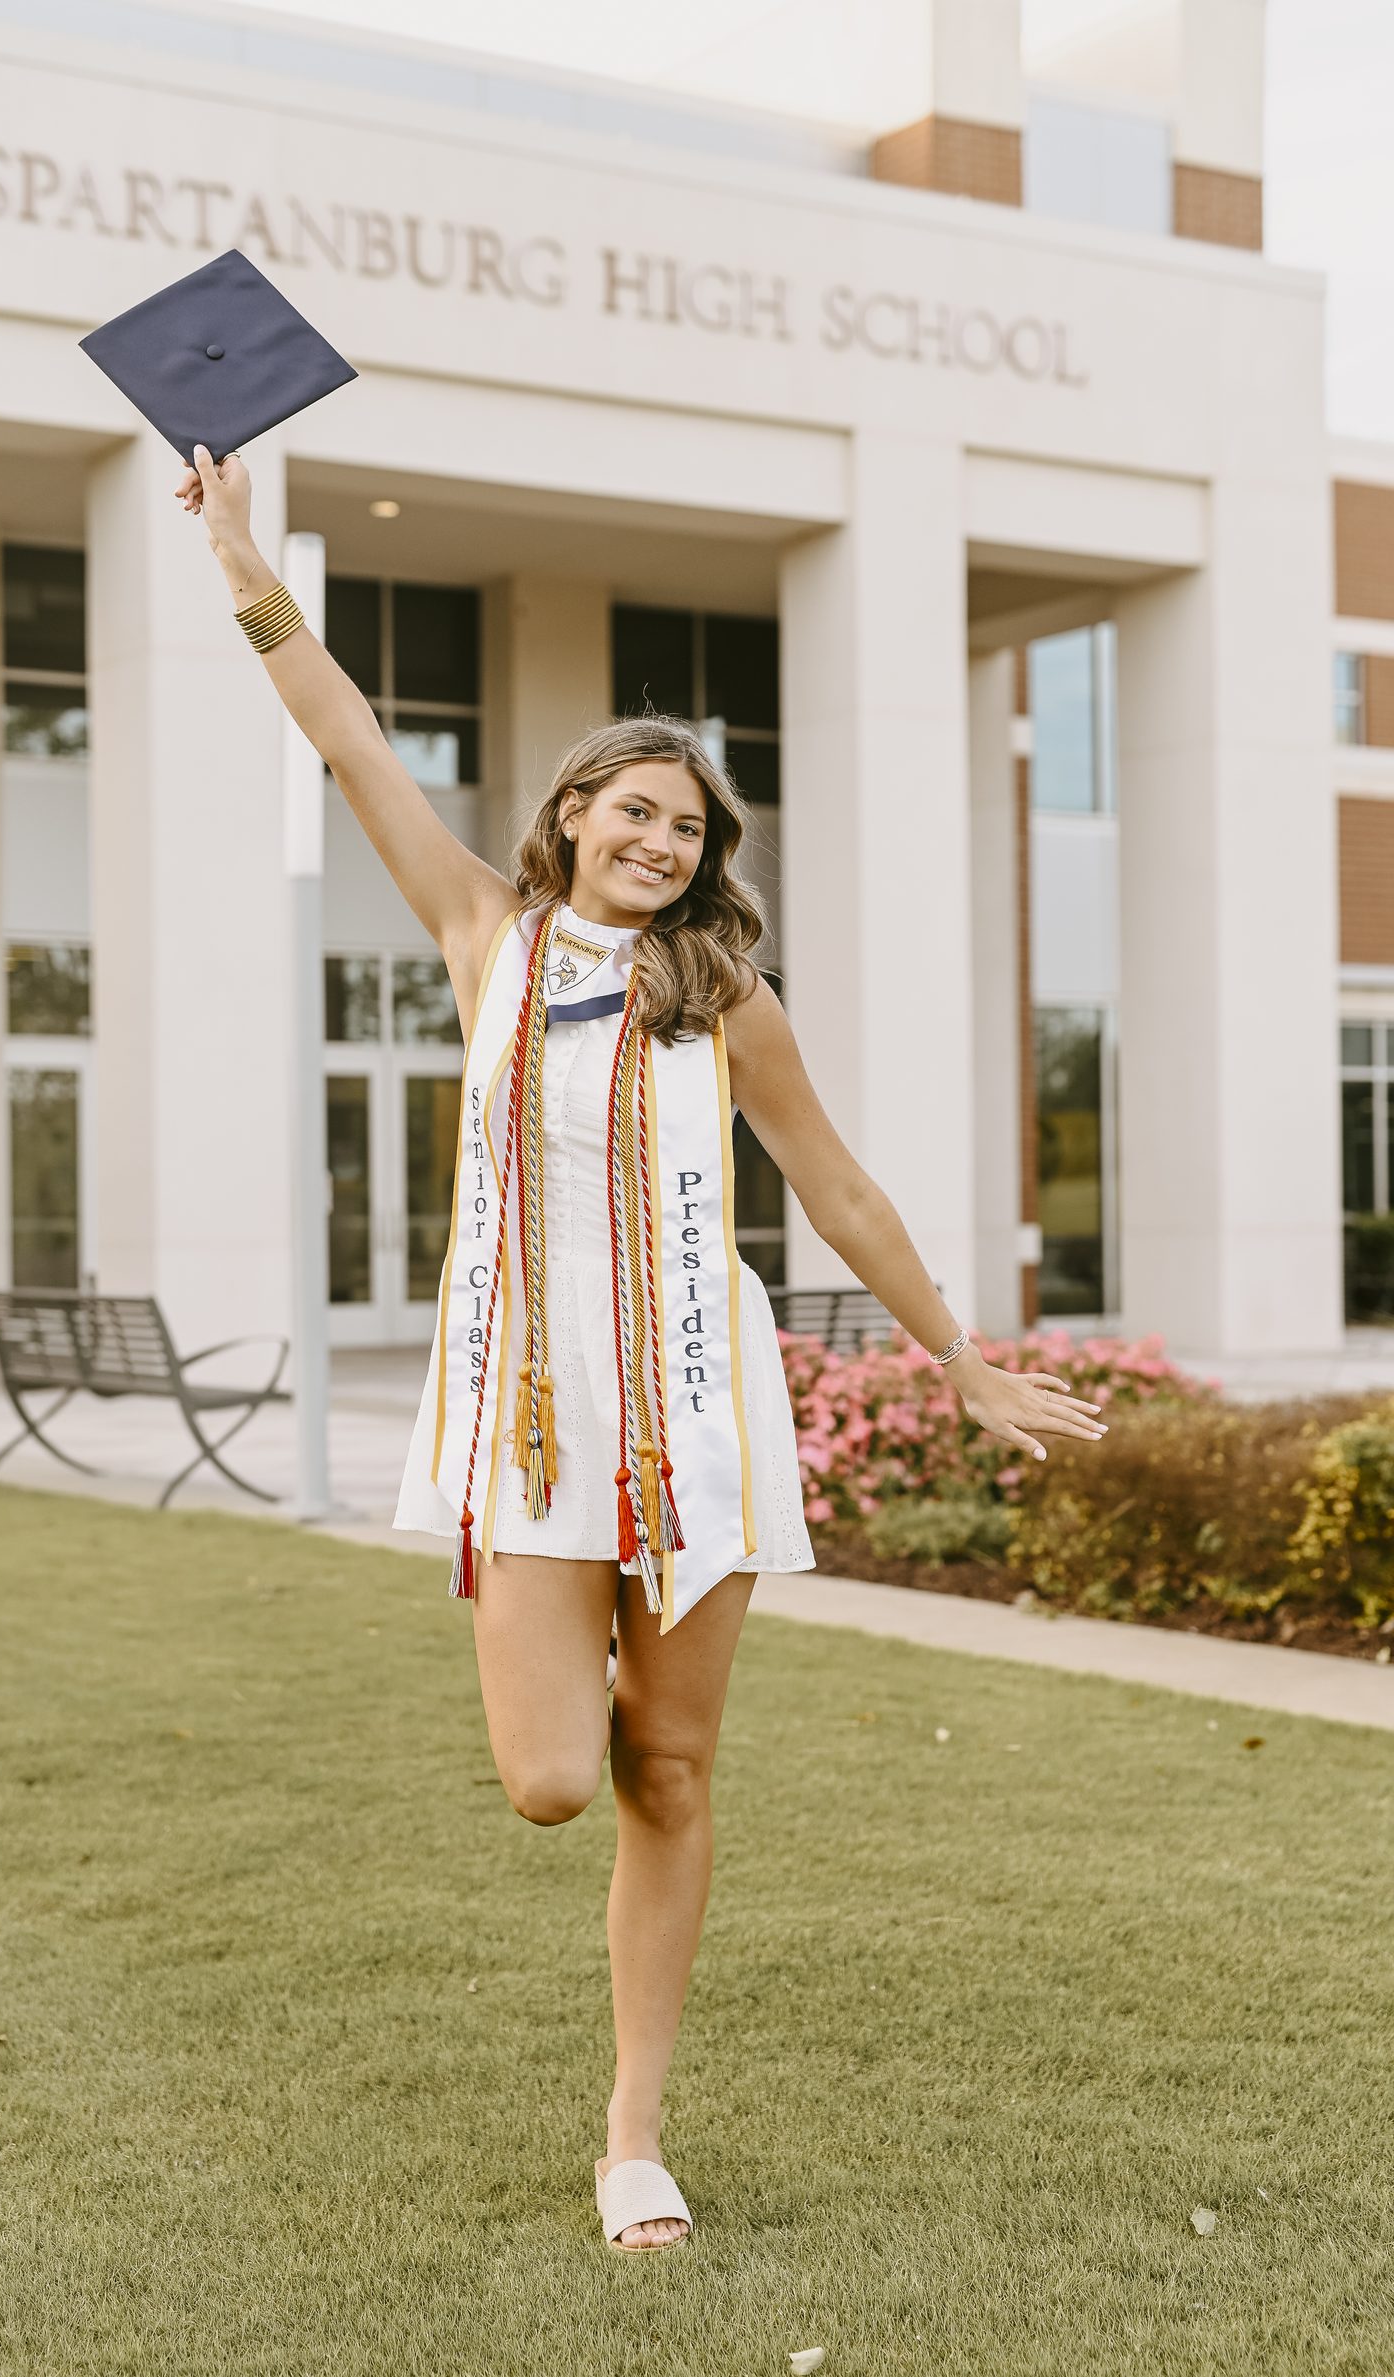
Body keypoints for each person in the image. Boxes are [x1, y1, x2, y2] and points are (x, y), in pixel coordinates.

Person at [175, 443, 1110, 2253]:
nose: (661, 841)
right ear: (573, 813)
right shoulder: (483, 936)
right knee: (548, 1784)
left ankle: (632, 2135)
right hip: (533, 1424)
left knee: (670, 1774)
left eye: (688, 826)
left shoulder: (723, 999)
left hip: (699, 1413)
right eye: (635, 811)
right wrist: (239, 551)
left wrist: (960, 1355)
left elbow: (835, 1187)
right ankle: (585, 1629)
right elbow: (344, 729)